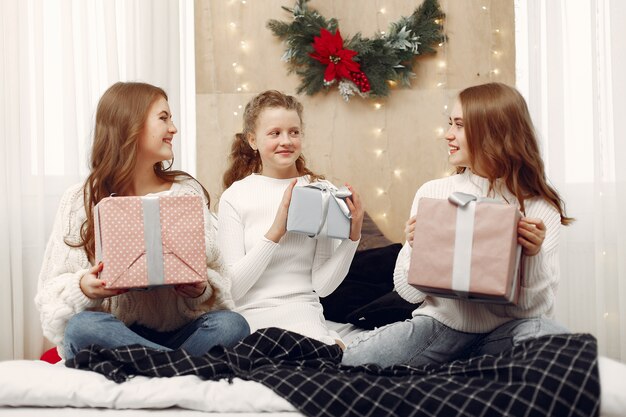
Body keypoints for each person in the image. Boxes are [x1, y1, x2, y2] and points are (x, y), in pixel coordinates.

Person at [342, 82, 572, 367]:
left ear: (492, 132)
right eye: (450, 123)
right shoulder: (434, 193)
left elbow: (535, 309)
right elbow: (408, 292)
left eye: (459, 125)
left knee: (554, 338)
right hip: (441, 329)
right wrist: (415, 247)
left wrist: (533, 256)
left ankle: (472, 362)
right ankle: (473, 365)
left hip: (505, 332)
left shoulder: (539, 207)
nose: (447, 135)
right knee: (355, 358)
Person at [35, 81, 249, 361]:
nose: (173, 128)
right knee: (81, 329)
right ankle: (178, 367)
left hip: (180, 335)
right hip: (114, 333)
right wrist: (85, 288)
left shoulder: (187, 193)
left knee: (233, 326)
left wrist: (200, 289)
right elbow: (49, 297)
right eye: (164, 118)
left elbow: (219, 282)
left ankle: (151, 366)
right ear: (130, 125)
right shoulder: (79, 199)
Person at [218, 90, 364, 346]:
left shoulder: (321, 192)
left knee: (315, 364)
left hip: (304, 316)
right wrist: (276, 231)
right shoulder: (235, 197)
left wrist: (353, 238)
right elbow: (232, 290)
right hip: (252, 321)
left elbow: (322, 287)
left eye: (293, 132)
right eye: (275, 133)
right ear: (252, 140)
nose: (286, 140)